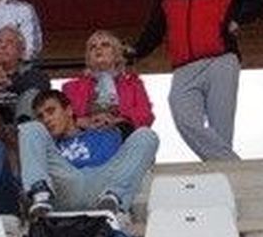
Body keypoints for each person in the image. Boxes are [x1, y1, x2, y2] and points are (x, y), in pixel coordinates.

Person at [131, 0, 263, 161]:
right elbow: (154, 30)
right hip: (183, 68)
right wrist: (135, 52)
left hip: (221, 61)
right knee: (184, 118)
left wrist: (240, 18)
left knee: (221, 130)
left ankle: (224, 177)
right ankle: (232, 165)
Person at [21, 89, 160, 218]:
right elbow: (26, 159)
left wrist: (118, 122)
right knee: (29, 128)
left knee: (147, 135)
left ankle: (114, 197)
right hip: (67, 185)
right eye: (41, 116)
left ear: (68, 110)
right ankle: (40, 195)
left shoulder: (106, 131)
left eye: (51, 111)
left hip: (105, 186)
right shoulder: (45, 145)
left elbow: (142, 153)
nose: (46, 119)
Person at [61, 30, 154, 138]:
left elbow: (146, 115)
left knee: (148, 136)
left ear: (116, 54)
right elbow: (61, 119)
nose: (98, 48)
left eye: (105, 45)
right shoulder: (70, 88)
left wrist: (117, 120)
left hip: (123, 137)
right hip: (85, 138)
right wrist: (81, 121)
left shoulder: (134, 85)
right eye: (92, 47)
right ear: (88, 58)